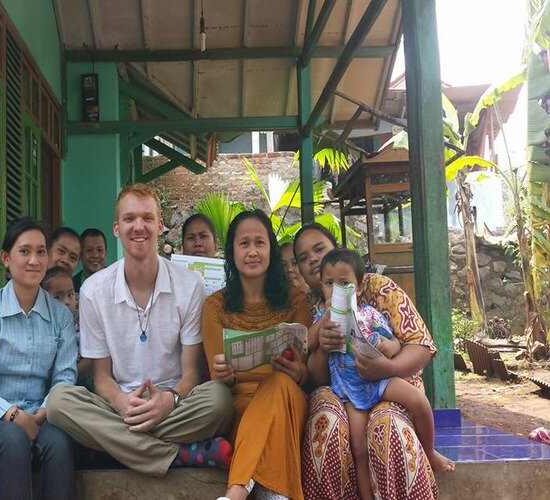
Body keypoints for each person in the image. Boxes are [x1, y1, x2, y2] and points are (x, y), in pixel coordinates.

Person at [46, 183, 234, 477]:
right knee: (59, 402)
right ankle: (179, 454)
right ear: (117, 228)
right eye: (129, 218)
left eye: (147, 218)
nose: (139, 227)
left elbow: (191, 375)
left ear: (159, 226)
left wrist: (168, 400)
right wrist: (122, 403)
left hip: (174, 404)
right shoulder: (94, 290)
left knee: (219, 400)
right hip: (121, 407)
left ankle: (114, 447)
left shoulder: (189, 284)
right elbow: (101, 377)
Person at [294, 223, 440, 499]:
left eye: (319, 249)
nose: (312, 259)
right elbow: (313, 376)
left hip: (387, 382)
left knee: (389, 430)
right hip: (345, 391)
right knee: (329, 427)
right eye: (302, 257)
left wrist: (389, 366)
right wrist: (323, 348)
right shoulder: (306, 306)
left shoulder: (376, 288)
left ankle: (426, 458)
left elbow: (420, 344)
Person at [0, 217, 78, 499]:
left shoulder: (60, 316)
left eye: (41, 252)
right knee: (12, 438)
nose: (34, 260)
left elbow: (65, 377)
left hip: (41, 419)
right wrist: (13, 415)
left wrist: (41, 413)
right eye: (24, 251)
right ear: (5, 258)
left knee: (61, 442)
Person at [202, 210, 312, 500]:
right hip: (240, 407)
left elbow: (308, 372)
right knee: (269, 428)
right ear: (232, 252)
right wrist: (222, 375)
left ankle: (236, 491)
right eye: (244, 244)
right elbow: (215, 376)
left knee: (278, 384)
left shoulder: (296, 302)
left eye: (260, 243)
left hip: (288, 400)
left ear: (271, 251)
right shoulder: (215, 307)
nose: (252, 252)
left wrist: (299, 372)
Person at [73, 228, 108, 292]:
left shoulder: (117, 282)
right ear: (80, 254)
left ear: (106, 254)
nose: (95, 255)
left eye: (100, 250)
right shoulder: (72, 286)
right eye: (89, 250)